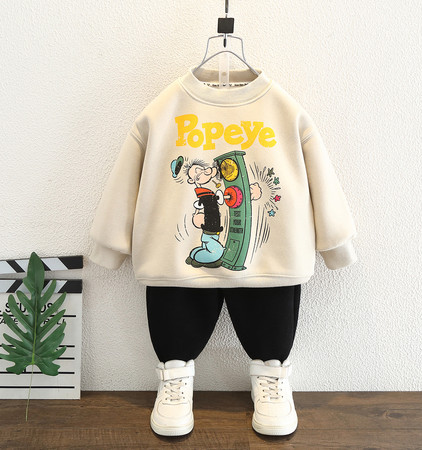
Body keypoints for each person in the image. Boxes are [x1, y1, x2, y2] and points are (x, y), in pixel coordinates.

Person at [88, 66, 358, 437]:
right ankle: (175, 375)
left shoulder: (282, 108)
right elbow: (128, 172)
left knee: (271, 291)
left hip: (267, 262)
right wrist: (111, 244)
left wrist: (336, 243)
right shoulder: (168, 106)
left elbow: (319, 172)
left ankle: (271, 374)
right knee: (174, 290)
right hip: (178, 264)